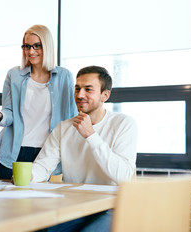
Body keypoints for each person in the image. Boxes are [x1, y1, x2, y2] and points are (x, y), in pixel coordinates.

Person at [32, 65, 138, 232]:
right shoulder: (63, 128)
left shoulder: (124, 124)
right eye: (77, 88)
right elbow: (43, 166)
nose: (80, 95)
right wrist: (26, 176)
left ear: (105, 95)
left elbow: (124, 176)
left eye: (88, 89)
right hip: (74, 207)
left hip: (112, 208)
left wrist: (91, 135)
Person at [0, 24, 77, 179]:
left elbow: (70, 116)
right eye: (27, 46)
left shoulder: (64, 77)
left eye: (37, 46)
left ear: (47, 46)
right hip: (13, 151)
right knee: (6, 201)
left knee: (41, 202)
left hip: (46, 154)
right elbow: (9, 111)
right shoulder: (15, 75)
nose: (31, 51)